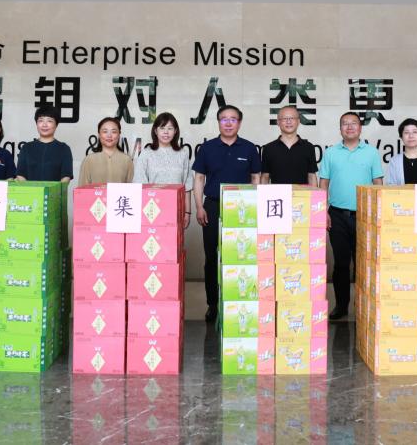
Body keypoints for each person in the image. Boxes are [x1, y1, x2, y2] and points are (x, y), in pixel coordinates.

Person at [192, 106, 262, 322]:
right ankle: (212, 304)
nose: (229, 123)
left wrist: (254, 206)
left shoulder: (249, 148)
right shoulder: (207, 148)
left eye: (233, 119)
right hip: (213, 206)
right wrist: (199, 206)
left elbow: (256, 178)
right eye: (224, 119)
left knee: (241, 256)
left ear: (239, 123)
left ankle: (239, 300)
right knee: (212, 257)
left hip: (242, 208)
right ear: (218, 122)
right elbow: (199, 179)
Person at [319, 112, 383, 321]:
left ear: (360, 127)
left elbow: (378, 184)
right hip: (337, 215)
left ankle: (362, 305)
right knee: (341, 263)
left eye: (353, 123)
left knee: (363, 263)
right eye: (344, 124)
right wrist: (323, 211)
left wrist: (377, 213)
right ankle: (341, 305)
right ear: (340, 129)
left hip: (365, 215)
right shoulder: (331, 153)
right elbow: (323, 183)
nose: (349, 127)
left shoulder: (371, 153)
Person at [133, 112, 193, 225]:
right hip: (151, 211)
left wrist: (187, 212)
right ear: (156, 131)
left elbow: (187, 187)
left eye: (170, 128)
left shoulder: (183, 154)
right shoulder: (146, 154)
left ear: (175, 131)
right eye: (162, 128)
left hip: (176, 209)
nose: (166, 132)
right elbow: (139, 185)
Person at [260, 105, 318, 186]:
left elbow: (311, 176)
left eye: (292, 118)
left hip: (302, 194)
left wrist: (315, 194)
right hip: (277, 194)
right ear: (278, 122)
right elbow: (265, 177)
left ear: (298, 121)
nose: (288, 121)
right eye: (284, 118)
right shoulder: (268, 149)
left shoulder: (308, 147)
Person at [16, 106, 74, 183]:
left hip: (55, 191)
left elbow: (66, 177)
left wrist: (54, 190)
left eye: (49, 121)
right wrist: (30, 189)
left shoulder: (64, 149)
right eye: (41, 120)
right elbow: (20, 175)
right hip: (29, 190)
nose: (44, 125)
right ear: (36, 123)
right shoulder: (26, 148)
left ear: (56, 124)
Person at [78, 117, 134, 184]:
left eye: (114, 132)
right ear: (99, 134)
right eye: (105, 131)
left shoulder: (127, 160)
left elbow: (132, 188)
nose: (109, 135)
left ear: (119, 134)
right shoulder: (89, 160)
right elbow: (82, 188)